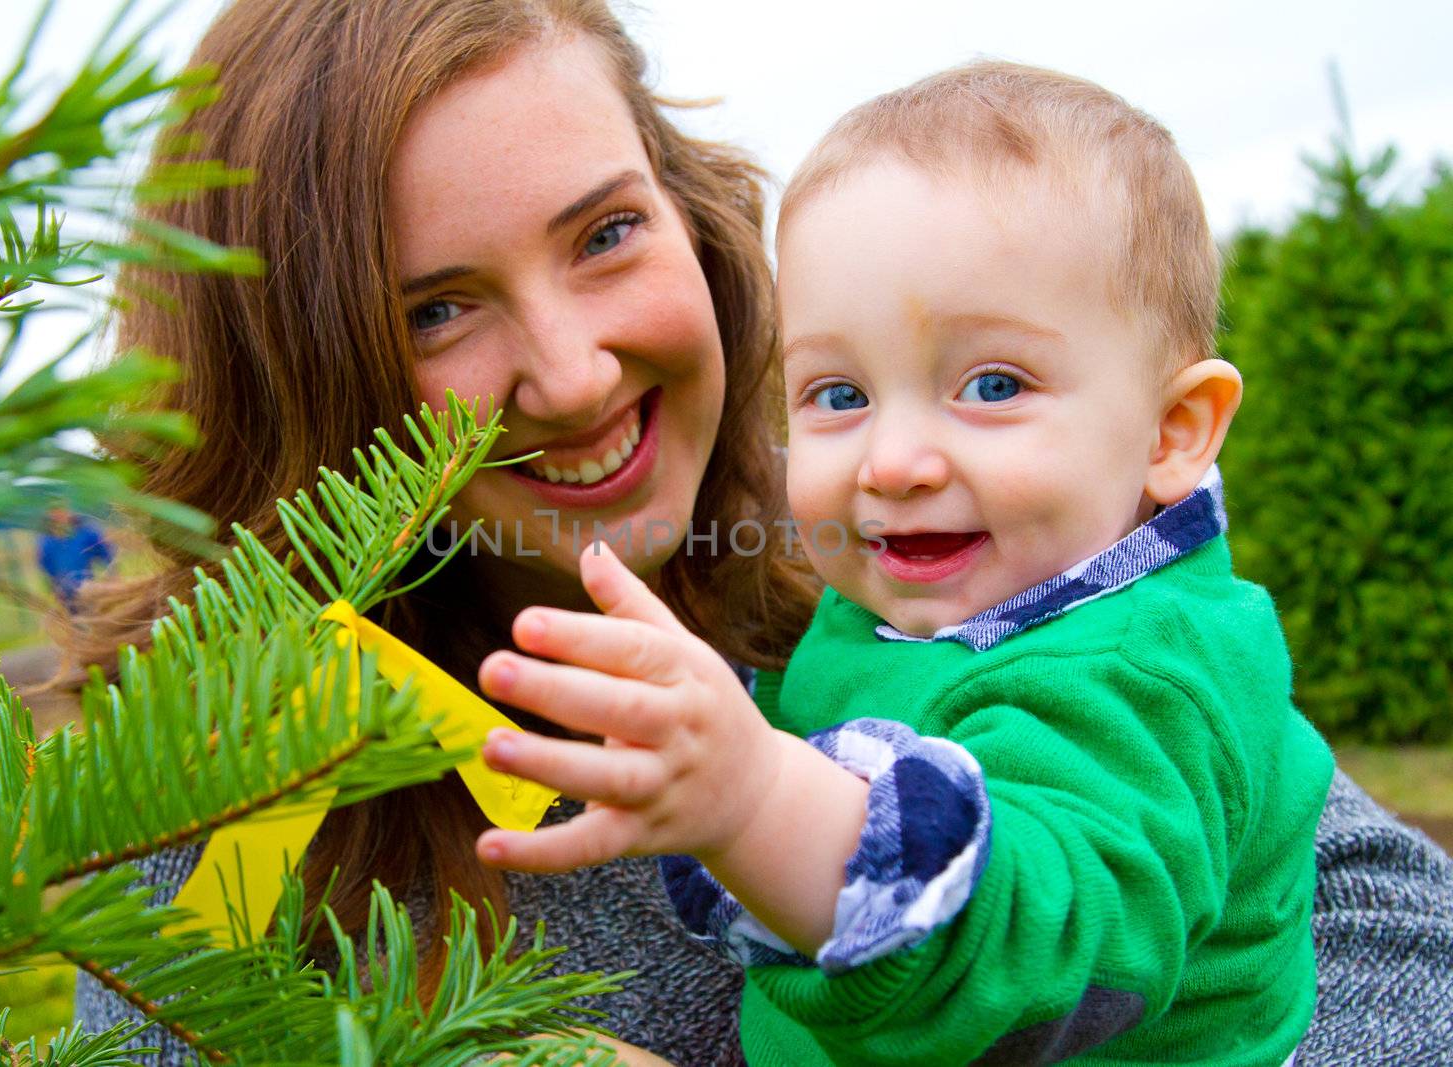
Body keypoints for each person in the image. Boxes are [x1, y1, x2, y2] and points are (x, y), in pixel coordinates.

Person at [67, 2, 1453, 1064]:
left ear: (694, 221)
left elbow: (1395, 948)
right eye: (436, 309)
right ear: (297, 383)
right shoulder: (230, 809)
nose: (574, 372)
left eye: (605, 233)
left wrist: (771, 804)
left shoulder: (915, 589)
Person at [473, 63, 1338, 1064]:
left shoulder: (1149, 671)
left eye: (993, 383)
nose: (891, 463)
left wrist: (758, 799)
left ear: (1171, 431)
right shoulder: (898, 595)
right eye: (838, 395)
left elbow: (1045, 949)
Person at [36, 506, 114, 611]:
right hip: (65, 594)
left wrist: (112, 573)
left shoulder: (86, 532)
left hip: (87, 588)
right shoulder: (47, 541)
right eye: (55, 512)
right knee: (75, 621)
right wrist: (54, 589)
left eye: (62, 510)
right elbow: (47, 567)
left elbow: (105, 553)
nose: (59, 515)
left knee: (92, 616)